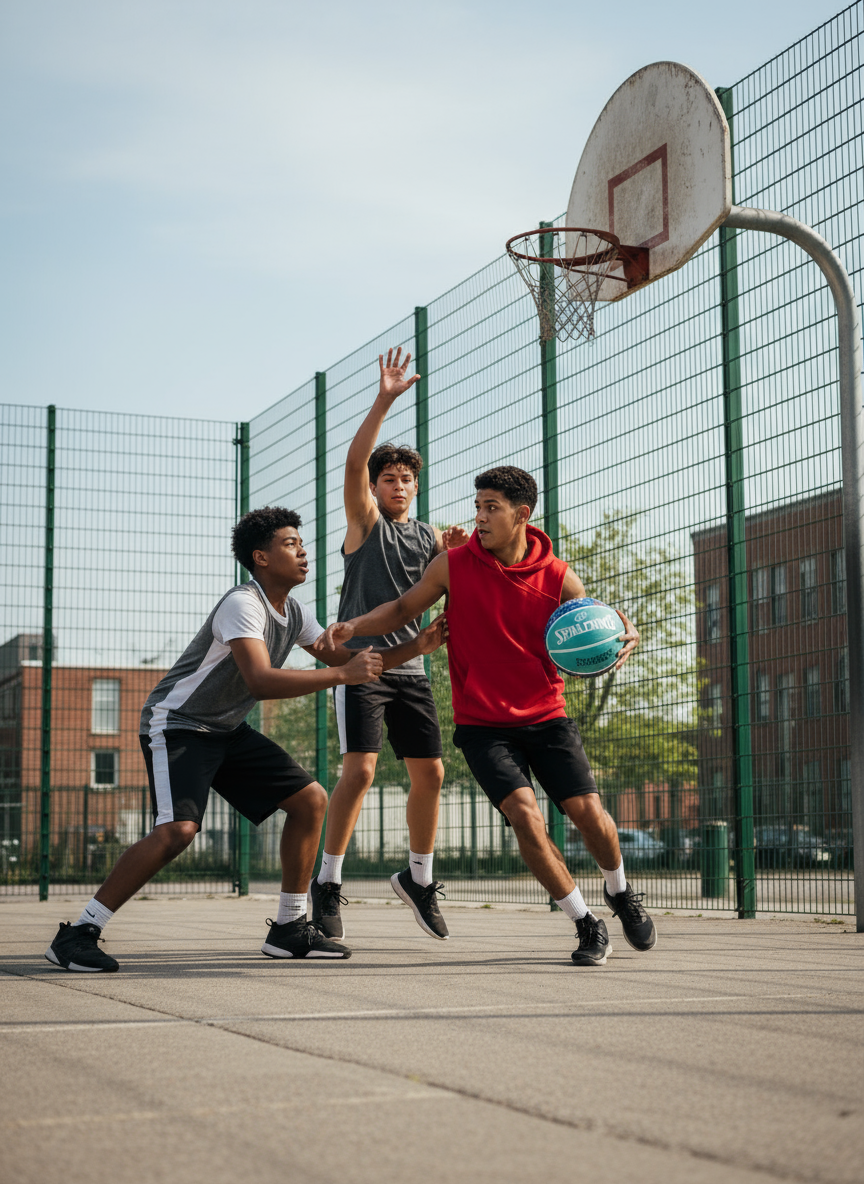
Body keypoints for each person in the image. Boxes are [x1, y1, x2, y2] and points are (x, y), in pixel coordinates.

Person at [45, 507, 445, 972]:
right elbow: (261, 681)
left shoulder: (293, 611)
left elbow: (349, 656)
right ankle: (80, 932)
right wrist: (340, 673)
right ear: (261, 557)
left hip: (226, 730)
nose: (303, 550)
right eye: (291, 543)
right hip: (178, 723)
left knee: (310, 801)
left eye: (301, 542)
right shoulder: (243, 604)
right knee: (178, 829)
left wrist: (415, 647)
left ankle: (289, 927)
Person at [322, 466, 657, 966]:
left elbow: (597, 625)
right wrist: (354, 625)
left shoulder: (558, 575)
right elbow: (399, 609)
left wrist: (623, 634)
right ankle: (587, 923)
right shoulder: (453, 565)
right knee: (525, 817)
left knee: (592, 817)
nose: (478, 517)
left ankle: (620, 890)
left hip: (547, 717)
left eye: (490, 508)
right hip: (482, 726)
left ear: (522, 514)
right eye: (477, 506)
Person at [311, 347, 469, 943]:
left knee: (430, 773)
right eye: (389, 478)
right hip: (361, 668)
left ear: (416, 486)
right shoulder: (364, 522)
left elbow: (443, 592)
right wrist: (386, 398)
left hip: (411, 669)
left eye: (407, 478)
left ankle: (419, 878)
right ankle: (327, 883)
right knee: (362, 770)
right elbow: (353, 461)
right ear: (375, 487)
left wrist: (454, 550)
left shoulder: (432, 537)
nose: (398, 484)